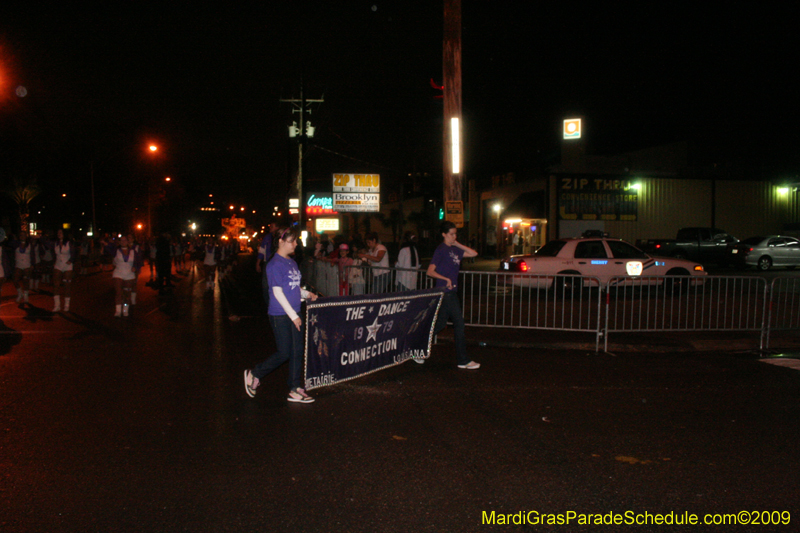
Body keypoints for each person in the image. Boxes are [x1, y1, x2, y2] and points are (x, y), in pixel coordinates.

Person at [244, 227, 318, 403]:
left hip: (294, 312)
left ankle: (294, 388)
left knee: (297, 351)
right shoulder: (274, 264)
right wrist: (293, 316)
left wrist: (307, 294)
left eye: (296, 240)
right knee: (284, 352)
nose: (295, 244)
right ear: (281, 242)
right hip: (280, 315)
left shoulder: (291, 262)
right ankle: (255, 373)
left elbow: (292, 288)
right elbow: (277, 293)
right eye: (292, 241)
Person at [426, 221, 480, 370]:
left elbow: (474, 253)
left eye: (455, 234)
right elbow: (429, 271)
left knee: (440, 324)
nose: (453, 236)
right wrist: (445, 279)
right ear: (444, 234)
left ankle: (417, 345)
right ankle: (463, 360)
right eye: (451, 234)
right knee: (459, 324)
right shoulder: (441, 249)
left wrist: (457, 243)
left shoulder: (455, 250)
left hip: (451, 292)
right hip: (445, 292)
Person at [52, 229, 78, 312]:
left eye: (61, 233)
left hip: (67, 266)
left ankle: (66, 305)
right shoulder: (55, 243)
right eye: (58, 233)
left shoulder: (69, 242)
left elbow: (74, 252)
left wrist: (71, 260)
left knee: (67, 285)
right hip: (58, 265)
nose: (59, 234)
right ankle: (57, 305)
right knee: (56, 284)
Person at [112, 236, 137, 317]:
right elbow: (108, 250)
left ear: (127, 241)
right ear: (119, 242)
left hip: (129, 274)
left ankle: (125, 310)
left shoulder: (133, 251)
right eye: (121, 240)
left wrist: (135, 267)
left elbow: (138, 261)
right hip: (118, 273)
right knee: (118, 292)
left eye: (125, 240)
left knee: (127, 294)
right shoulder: (116, 251)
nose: (123, 241)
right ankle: (118, 311)